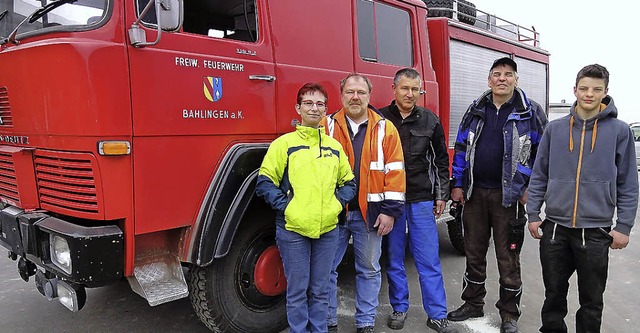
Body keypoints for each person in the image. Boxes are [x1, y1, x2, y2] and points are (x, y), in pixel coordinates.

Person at [526, 64, 638, 333]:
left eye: (596, 89)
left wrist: (623, 226)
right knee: (553, 295)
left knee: (591, 301)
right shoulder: (555, 129)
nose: (589, 94)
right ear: (574, 89)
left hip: (596, 230)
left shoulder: (619, 131)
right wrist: (533, 214)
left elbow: (628, 183)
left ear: (605, 92)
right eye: (584, 88)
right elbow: (539, 173)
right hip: (554, 228)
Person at [447, 57, 547, 333]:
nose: (502, 78)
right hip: (475, 194)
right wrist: (457, 183)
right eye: (496, 74)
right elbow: (460, 147)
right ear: (489, 80)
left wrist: (530, 189)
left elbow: (544, 155)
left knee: (508, 256)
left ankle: (509, 314)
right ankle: (473, 303)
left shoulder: (530, 112)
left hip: (510, 197)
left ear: (516, 79)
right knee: (474, 251)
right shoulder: (475, 109)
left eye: (508, 74)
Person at [256, 83, 356, 333]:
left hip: (328, 230)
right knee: (298, 290)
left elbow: (349, 183)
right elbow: (264, 182)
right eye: (309, 103)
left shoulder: (334, 147)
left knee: (320, 289)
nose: (315, 108)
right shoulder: (284, 144)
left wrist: (335, 204)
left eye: (320, 103)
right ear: (298, 108)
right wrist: (288, 207)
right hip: (293, 230)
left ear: (326, 110)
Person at [323, 73, 406, 333]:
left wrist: (390, 212)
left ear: (369, 96)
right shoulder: (326, 126)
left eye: (361, 92)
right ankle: (328, 321)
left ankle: (365, 323)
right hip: (332, 213)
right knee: (325, 270)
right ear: (342, 95)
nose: (355, 97)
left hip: (369, 213)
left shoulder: (385, 128)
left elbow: (395, 172)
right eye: (350, 92)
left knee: (369, 270)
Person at [379, 68, 456, 333]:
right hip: (391, 201)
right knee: (394, 257)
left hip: (422, 199)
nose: (410, 94)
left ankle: (437, 313)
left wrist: (441, 195)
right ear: (394, 88)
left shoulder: (430, 121)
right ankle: (399, 308)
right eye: (405, 88)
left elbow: (441, 161)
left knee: (427, 259)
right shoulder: (379, 119)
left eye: (415, 89)